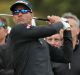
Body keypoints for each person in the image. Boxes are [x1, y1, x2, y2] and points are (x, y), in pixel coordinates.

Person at [9, 0, 73, 75]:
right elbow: (51, 29)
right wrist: (61, 22)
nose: (19, 14)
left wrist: (67, 30)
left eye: (23, 10)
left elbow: (66, 57)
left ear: (32, 15)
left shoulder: (41, 40)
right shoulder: (17, 30)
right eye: (15, 12)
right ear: (13, 17)